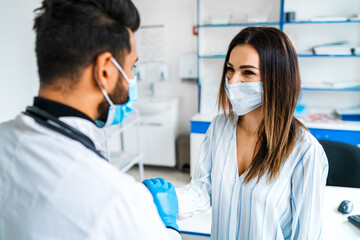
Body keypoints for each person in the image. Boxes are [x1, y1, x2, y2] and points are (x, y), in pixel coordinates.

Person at [0, 0, 180, 239]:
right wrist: (168, 225)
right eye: (131, 69)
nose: (131, 80)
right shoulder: (119, 200)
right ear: (105, 70)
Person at [144, 27, 329, 240]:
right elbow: (203, 190)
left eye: (248, 72)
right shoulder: (219, 128)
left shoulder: (305, 151)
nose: (232, 81)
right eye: (230, 69)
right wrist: (167, 199)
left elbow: (306, 234)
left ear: (277, 78)